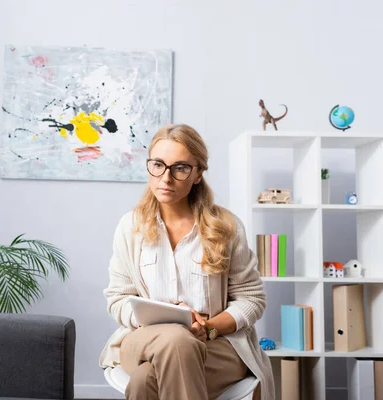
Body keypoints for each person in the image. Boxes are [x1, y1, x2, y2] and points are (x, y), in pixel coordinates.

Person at [99, 124, 275, 400]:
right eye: (157, 165)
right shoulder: (129, 226)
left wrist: (209, 328)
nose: (165, 178)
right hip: (143, 340)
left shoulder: (226, 226)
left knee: (146, 381)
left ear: (198, 173)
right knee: (176, 338)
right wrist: (160, 318)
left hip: (217, 345)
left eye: (179, 168)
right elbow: (118, 299)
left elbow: (251, 300)